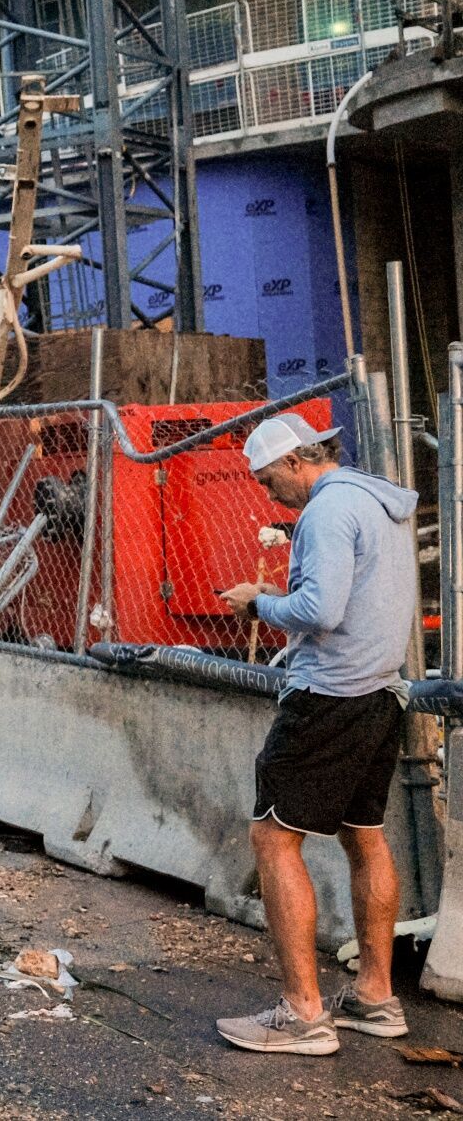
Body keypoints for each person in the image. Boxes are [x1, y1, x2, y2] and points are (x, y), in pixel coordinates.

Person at [214, 413, 418, 1055]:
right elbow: (347, 599)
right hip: (381, 692)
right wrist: (287, 595)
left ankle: (303, 1014)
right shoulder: (375, 501)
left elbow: (320, 612)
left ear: (297, 460)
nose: (265, 491)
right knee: (365, 835)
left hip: (329, 695)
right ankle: (375, 999)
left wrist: (258, 602)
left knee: (273, 836)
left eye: (267, 477)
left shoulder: (327, 512)